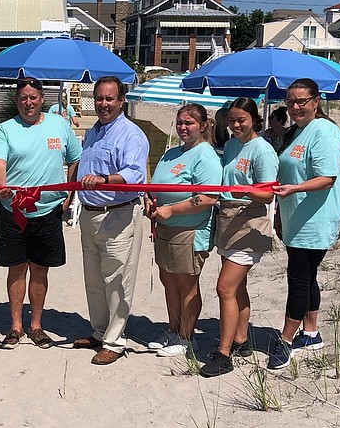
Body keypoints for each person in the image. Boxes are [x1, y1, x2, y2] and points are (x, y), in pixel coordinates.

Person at [0, 78, 82, 350]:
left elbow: (75, 159)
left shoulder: (60, 125)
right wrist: (0, 185)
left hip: (48, 212)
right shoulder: (5, 129)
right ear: (16, 100)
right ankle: (16, 326)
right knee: (16, 270)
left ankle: (36, 325)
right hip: (13, 210)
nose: (28, 103)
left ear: (42, 98)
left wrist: (70, 196)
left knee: (40, 270)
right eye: (23, 98)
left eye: (33, 97)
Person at [267, 79, 340, 370]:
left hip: (315, 218)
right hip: (296, 216)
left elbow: (327, 178)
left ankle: (286, 341)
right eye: (290, 102)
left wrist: (293, 190)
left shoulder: (323, 130)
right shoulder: (296, 131)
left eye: (302, 101)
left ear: (316, 101)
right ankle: (311, 333)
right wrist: (279, 212)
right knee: (308, 275)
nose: (296, 107)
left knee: (298, 280)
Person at [72, 76, 148, 365]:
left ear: (121, 101)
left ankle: (115, 341)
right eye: (100, 98)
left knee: (117, 280)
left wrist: (105, 180)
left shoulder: (131, 134)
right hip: (89, 215)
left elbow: (135, 175)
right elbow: (82, 167)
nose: (104, 104)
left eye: (109, 99)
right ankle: (100, 330)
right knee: (93, 280)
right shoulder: (94, 132)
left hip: (119, 215)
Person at [199, 98, 278, 377]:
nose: (235, 125)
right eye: (231, 120)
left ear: (254, 119)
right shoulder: (231, 146)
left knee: (225, 288)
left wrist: (245, 190)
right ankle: (241, 340)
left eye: (240, 120)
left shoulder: (262, 150)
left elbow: (268, 193)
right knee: (237, 287)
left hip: (250, 223)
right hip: (229, 221)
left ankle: (223, 353)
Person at [145, 103, 221, 357]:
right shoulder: (172, 153)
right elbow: (156, 185)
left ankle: (188, 336)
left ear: (202, 126)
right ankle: (174, 329)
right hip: (164, 228)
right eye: (180, 122)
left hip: (189, 229)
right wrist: (151, 201)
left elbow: (208, 197)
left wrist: (172, 210)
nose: (183, 128)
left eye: (189, 123)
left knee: (186, 284)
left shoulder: (205, 155)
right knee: (169, 282)